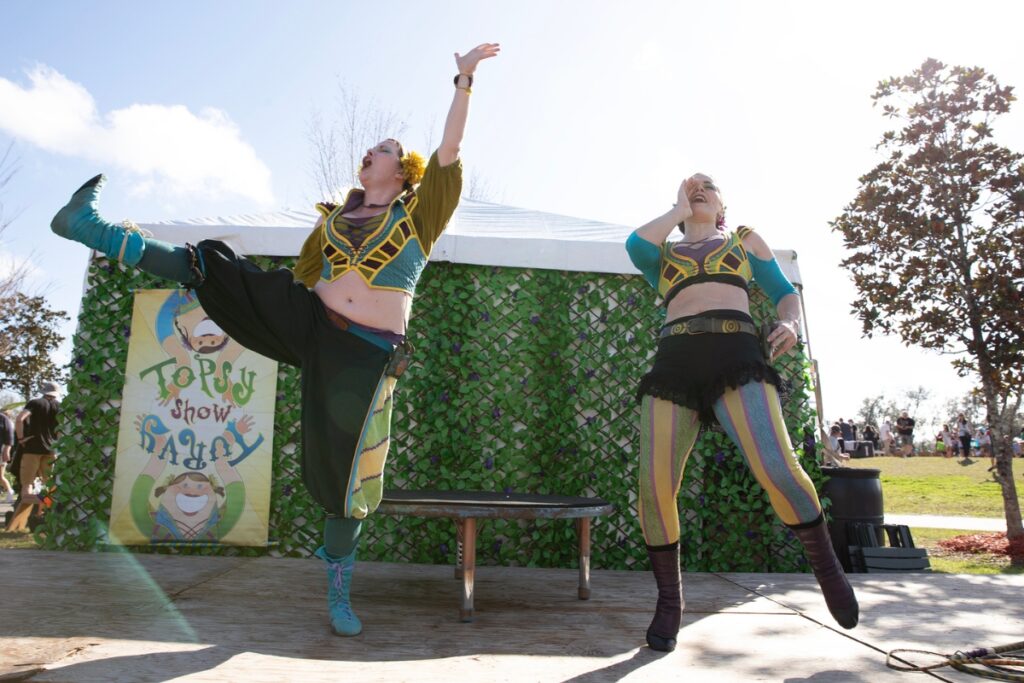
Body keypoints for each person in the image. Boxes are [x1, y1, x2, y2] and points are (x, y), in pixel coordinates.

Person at [49, 42, 499, 636]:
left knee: (348, 478)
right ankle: (92, 229)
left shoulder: (421, 213)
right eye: (370, 149)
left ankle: (339, 590)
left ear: (403, 170)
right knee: (217, 268)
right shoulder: (332, 221)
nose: (371, 152)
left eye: (385, 149)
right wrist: (257, 301)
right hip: (311, 321)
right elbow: (303, 280)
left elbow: (451, 149)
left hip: (364, 353)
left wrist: (463, 79)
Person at [625, 173, 858, 651]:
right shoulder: (660, 253)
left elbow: (783, 291)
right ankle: (670, 601)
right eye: (690, 186)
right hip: (675, 360)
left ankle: (828, 571)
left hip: (738, 352)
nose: (698, 189)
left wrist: (790, 322)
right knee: (653, 485)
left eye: (707, 185)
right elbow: (634, 242)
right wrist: (678, 211)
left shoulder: (744, 240)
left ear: (723, 202)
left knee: (778, 466)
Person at [5, 382, 61, 532]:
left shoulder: (35, 403)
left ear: (43, 391)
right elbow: (60, 428)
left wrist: (21, 438)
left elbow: (19, 419)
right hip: (51, 449)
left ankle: (42, 508)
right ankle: (42, 513)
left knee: (27, 487)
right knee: (49, 485)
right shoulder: (58, 406)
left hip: (32, 448)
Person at [0, 409, 16, 503]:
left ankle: (10, 491)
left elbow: (9, 438)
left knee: (1, 476)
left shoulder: (6, 421)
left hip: (1, 452)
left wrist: (6, 451)